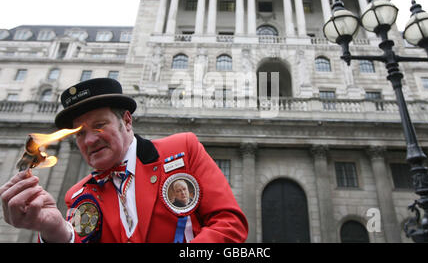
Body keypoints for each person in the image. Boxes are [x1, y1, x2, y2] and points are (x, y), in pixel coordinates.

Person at [0, 78, 248, 243]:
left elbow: (230, 225)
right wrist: (54, 230)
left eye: (98, 126)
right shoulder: (77, 194)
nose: (88, 141)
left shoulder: (183, 149)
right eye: (80, 133)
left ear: (127, 121)